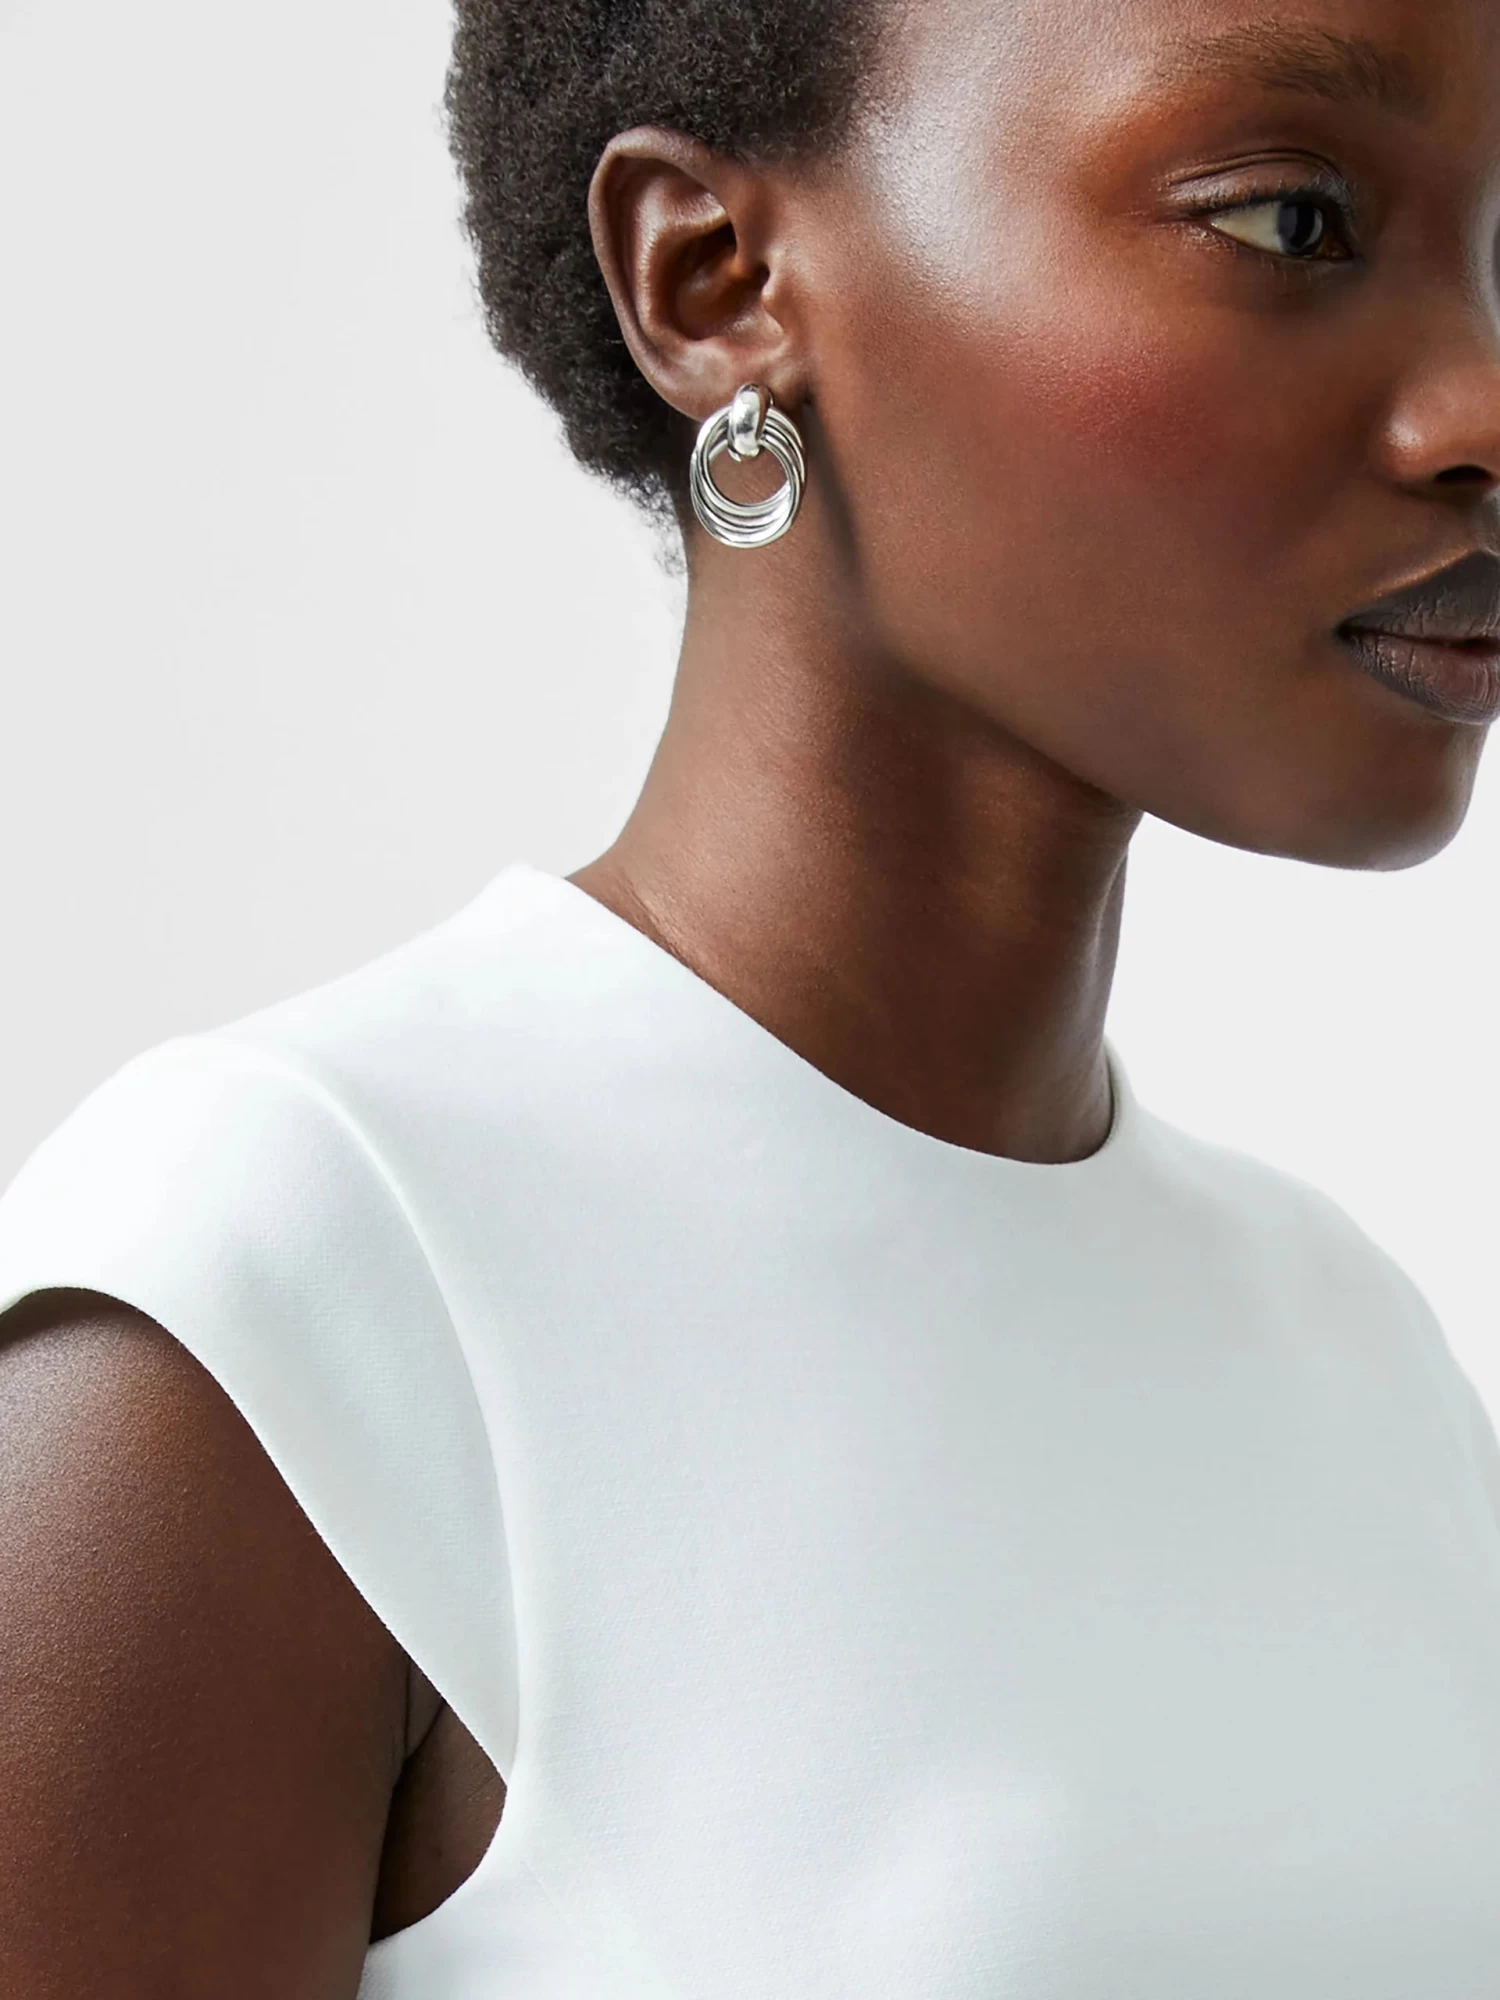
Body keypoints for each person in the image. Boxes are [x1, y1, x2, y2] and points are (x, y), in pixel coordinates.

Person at [4, 0, 1500, 1992]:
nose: (1479, 402)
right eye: (1293, 221)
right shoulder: (292, 1299)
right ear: (711, 281)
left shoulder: (1359, 1354)